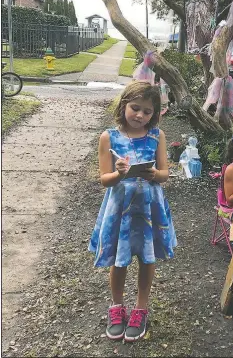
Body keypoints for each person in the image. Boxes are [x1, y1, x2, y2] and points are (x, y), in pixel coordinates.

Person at [89, 81, 177, 342]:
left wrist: (154, 174)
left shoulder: (156, 135)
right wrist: (119, 173)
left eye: (147, 111)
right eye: (135, 108)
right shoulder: (109, 137)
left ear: (155, 113)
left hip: (149, 207)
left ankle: (141, 308)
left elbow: (164, 174)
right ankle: (117, 307)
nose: (140, 115)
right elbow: (104, 179)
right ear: (124, 105)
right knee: (119, 258)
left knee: (147, 258)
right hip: (120, 209)